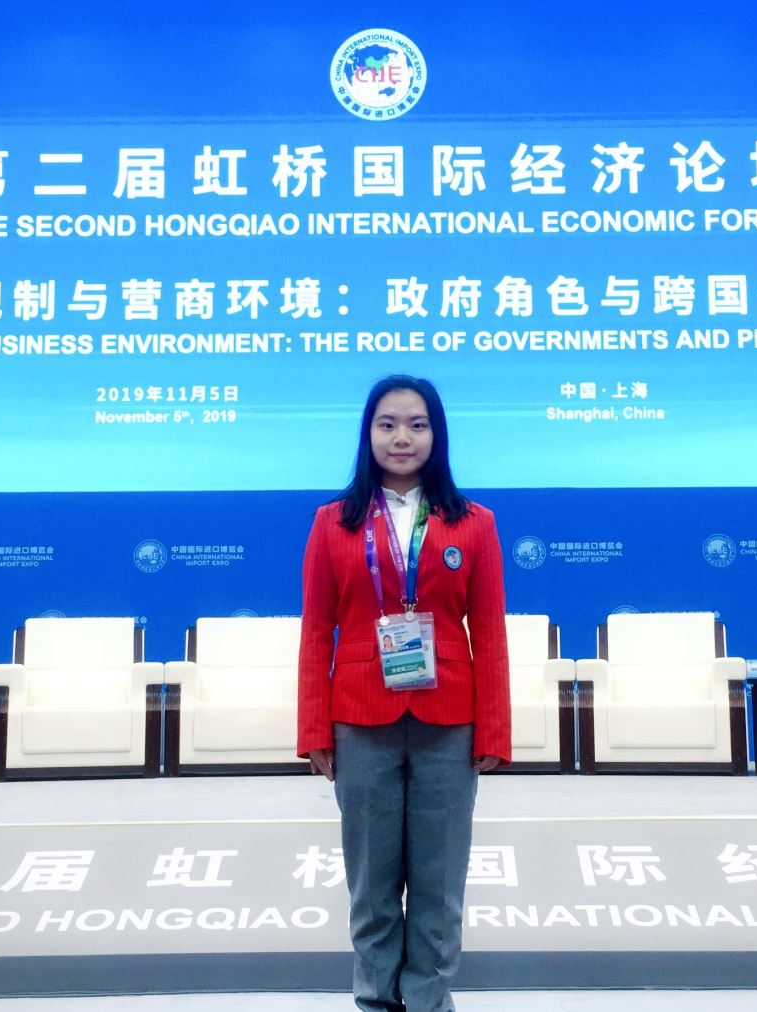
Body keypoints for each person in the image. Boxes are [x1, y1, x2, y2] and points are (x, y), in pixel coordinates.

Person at [297, 374, 511, 1012]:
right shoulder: (332, 524)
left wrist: (494, 730)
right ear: (368, 433)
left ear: (436, 434)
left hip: (450, 721)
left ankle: (428, 1002)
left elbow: (490, 634)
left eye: (418, 425)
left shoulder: (474, 524)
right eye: (387, 423)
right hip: (359, 719)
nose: (402, 437)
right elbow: (316, 632)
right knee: (372, 884)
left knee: (440, 882)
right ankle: (375, 1001)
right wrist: (313, 730)